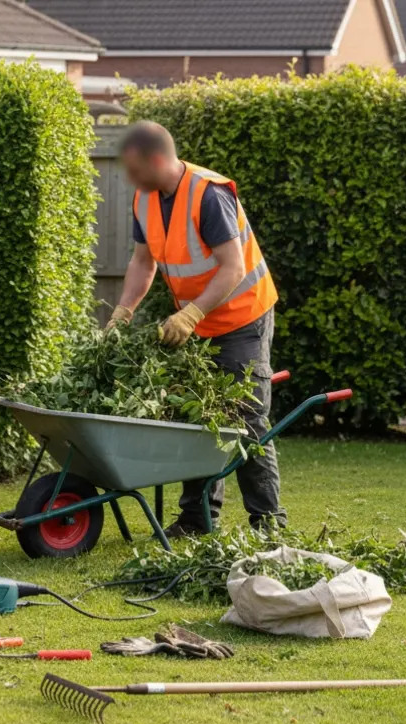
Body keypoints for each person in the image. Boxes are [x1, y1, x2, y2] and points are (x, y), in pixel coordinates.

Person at [107, 120, 283, 536]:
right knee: (195, 419)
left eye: (134, 169)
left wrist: (189, 315)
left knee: (247, 420)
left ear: (156, 159)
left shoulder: (208, 194)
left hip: (242, 319)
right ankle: (197, 520)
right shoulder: (145, 199)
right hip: (198, 326)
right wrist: (123, 311)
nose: (129, 178)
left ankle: (268, 524)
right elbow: (143, 262)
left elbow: (233, 267)